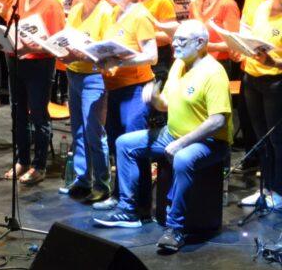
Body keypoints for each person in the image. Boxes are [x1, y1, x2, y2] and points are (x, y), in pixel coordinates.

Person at [94, 20, 233, 253]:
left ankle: (176, 228)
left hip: (208, 142)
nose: (175, 44)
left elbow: (218, 120)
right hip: (173, 134)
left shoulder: (214, 73)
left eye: (182, 40)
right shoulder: (179, 64)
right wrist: (155, 99)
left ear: (200, 43)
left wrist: (182, 142)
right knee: (125, 143)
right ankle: (130, 210)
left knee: (183, 158)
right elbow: (167, 104)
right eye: (174, 39)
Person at [91, 0, 159, 212]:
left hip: (135, 89)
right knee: (117, 143)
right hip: (115, 87)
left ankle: (139, 205)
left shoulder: (140, 15)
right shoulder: (112, 13)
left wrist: (120, 59)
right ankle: (120, 195)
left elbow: (151, 56)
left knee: (133, 144)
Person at [1, 0, 65, 184]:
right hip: (16, 60)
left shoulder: (51, 5)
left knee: (38, 114)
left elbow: (57, 42)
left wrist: (35, 45)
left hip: (39, 64)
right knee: (17, 112)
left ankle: (39, 165)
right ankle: (22, 160)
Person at [60, 0, 115, 202]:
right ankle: (82, 180)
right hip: (74, 74)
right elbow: (68, 35)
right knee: (78, 130)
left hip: (94, 76)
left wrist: (80, 52)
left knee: (94, 131)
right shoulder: (76, 9)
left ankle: (102, 184)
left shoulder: (106, 12)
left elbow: (107, 50)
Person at [239, 0, 282, 210]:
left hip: (276, 82)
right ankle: (265, 189)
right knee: (261, 139)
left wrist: (273, 59)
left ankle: (278, 189)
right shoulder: (263, 7)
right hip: (252, 78)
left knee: (277, 139)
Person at [131, 0, 176, 84]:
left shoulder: (163, 0)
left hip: (158, 60)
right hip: (137, 58)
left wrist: (144, 34)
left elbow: (169, 36)